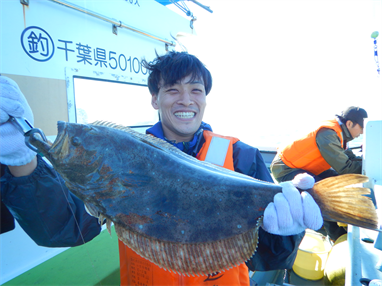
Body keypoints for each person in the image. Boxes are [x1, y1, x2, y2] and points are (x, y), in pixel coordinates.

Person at [0, 52, 323, 286]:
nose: (185, 100)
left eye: (195, 90)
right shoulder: (120, 156)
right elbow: (67, 230)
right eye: (172, 90)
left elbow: (267, 258)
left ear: (205, 99)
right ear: (155, 99)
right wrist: (22, 160)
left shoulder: (242, 155)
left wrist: (287, 232)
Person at [270, 106, 368, 241]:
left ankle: (344, 222)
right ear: (350, 124)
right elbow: (346, 167)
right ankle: (337, 237)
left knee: (340, 182)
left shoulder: (339, 132)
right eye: (362, 128)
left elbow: (348, 157)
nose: (362, 133)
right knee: (323, 195)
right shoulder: (328, 134)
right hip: (286, 169)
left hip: (305, 167)